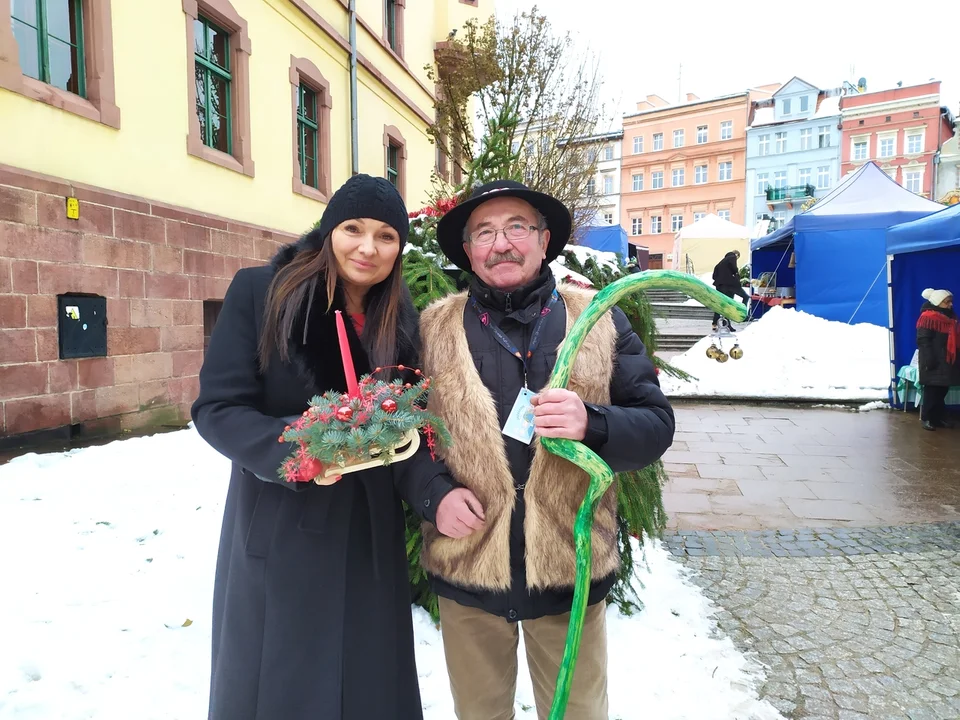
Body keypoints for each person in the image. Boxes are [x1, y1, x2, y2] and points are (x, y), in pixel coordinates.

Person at [414, 180, 675, 719]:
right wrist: (432, 493)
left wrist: (593, 423)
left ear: (544, 239)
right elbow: (402, 434)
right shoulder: (432, 329)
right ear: (468, 251)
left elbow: (656, 426)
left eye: (517, 227)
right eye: (484, 232)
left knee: (579, 713)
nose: (501, 243)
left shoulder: (599, 319)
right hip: (469, 571)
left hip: (568, 575)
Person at [192, 174, 450, 720]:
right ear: (328, 229)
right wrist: (300, 452)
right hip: (285, 527)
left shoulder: (397, 315)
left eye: (386, 236)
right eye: (353, 229)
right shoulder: (263, 293)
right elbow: (218, 408)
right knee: (284, 684)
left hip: (367, 536)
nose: (367, 247)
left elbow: (405, 433)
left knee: (367, 684)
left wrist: (435, 493)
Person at [916, 287, 960, 431]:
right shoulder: (927, 317)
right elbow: (923, 339)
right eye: (947, 302)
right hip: (933, 359)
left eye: (950, 302)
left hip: (946, 360)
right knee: (932, 390)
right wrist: (929, 358)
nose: (950, 304)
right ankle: (927, 418)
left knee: (942, 390)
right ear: (938, 302)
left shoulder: (951, 318)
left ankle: (938, 418)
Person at [712, 250, 751, 330]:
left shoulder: (720, 263)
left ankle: (718, 323)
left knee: (723, 304)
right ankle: (743, 315)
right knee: (746, 297)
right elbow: (734, 269)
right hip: (731, 285)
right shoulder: (732, 257)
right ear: (737, 255)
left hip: (720, 286)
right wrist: (736, 274)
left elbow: (714, 276)